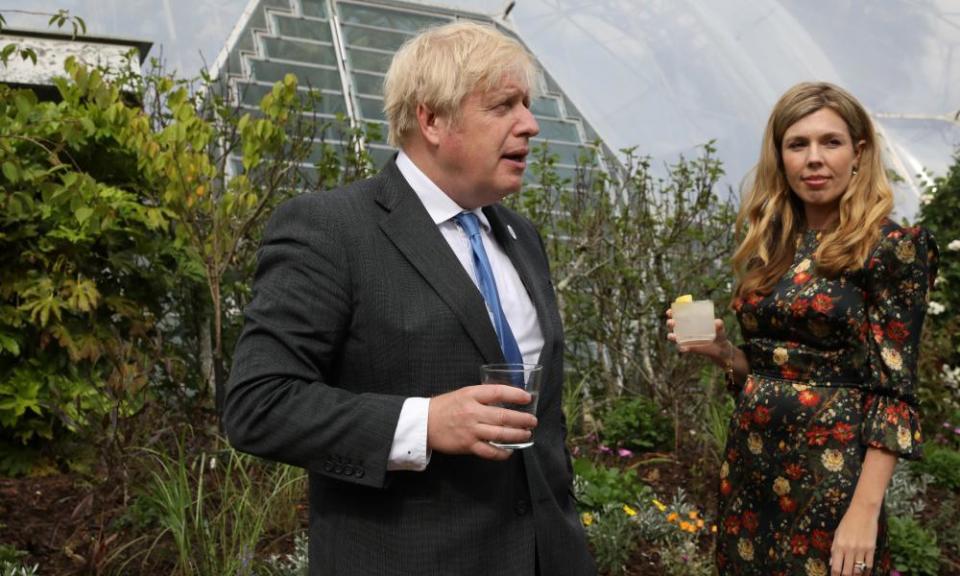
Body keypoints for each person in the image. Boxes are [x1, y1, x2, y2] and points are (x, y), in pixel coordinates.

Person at [223, 21, 595, 576]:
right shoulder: (331, 230)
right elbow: (259, 404)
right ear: (432, 119)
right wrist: (423, 423)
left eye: (528, 104)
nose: (532, 125)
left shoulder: (521, 237)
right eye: (504, 106)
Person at [667, 82, 938, 576]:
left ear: (858, 153)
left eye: (830, 142)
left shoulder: (891, 248)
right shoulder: (773, 244)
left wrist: (864, 511)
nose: (814, 159)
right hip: (749, 471)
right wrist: (725, 352)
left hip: (831, 480)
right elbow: (774, 367)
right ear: (780, 157)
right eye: (798, 144)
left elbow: (893, 391)